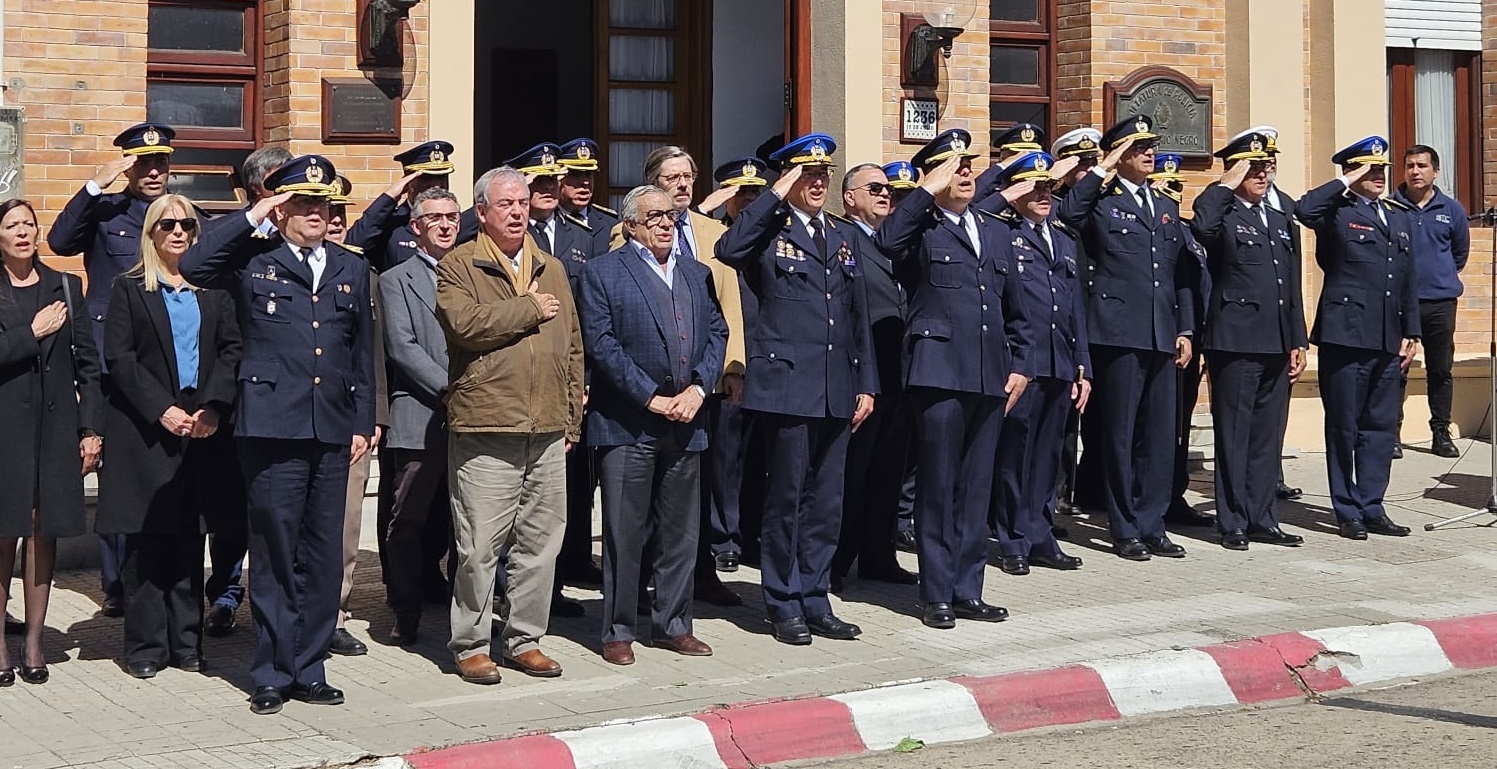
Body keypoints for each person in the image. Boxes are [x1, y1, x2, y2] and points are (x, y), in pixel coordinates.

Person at [181, 155, 375, 715]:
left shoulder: (350, 267)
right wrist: (254, 215)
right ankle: (269, 670)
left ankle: (310, 668)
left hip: (332, 427)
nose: (316, 212)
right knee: (273, 551)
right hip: (270, 425)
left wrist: (364, 420)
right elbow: (195, 264)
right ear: (281, 206)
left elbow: (360, 351)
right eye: (303, 202)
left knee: (321, 557)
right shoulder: (253, 259)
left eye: (323, 203)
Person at [716, 133, 877, 645]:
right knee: (785, 498)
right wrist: (774, 194)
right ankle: (782, 601)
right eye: (808, 174)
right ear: (788, 178)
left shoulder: (842, 235)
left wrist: (867, 383)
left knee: (826, 501)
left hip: (836, 386)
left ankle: (816, 596)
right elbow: (729, 248)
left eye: (824, 175)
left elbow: (860, 318)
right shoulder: (768, 230)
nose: (819, 183)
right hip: (786, 385)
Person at [875, 129, 1031, 628]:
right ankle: (936, 592)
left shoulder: (996, 229)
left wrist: (1022, 365)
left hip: (989, 374)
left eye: (969, 166)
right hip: (940, 374)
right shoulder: (920, 229)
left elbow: (1018, 309)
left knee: (974, 488)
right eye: (954, 166)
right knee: (939, 488)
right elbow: (886, 239)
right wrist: (926, 190)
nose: (965, 174)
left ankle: (968, 589)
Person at [436, 166, 584, 684]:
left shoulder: (552, 267)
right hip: (486, 425)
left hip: (545, 427)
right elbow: (466, 326)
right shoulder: (459, 265)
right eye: (507, 204)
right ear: (482, 212)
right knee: (479, 545)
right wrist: (526, 309)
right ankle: (472, 644)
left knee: (541, 543)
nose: (519, 211)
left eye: (523, 202)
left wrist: (571, 417)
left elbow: (571, 345)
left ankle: (525, 639)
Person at [96, 194, 243, 678]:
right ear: (151, 233)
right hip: (147, 430)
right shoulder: (130, 289)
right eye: (168, 225)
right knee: (147, 545)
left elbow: (229, 350)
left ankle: (186, 645)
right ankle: (144, 649)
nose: (179, 232)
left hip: (200, 430)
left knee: (188, 543)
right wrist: (161, 409)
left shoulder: (212, 289)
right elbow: (119, 358)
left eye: (187, 225)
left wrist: (214, 407)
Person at [581, 184, 728, 665]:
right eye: (654, 217)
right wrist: (652, 398)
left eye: (671, 216)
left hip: (687, 420)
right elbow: (601, 346)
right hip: (628, 424)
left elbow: (716, 332)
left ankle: (674, 624)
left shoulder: (695, 272)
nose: (666, 223)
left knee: (682, 532)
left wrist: (699, 390)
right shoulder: (603, 273)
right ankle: (619, 629)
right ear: (631, 226)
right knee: (625, 533)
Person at [47, 121, 177, 619]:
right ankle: (117, 582)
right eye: (142, 163)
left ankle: (157, 574)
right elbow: (59, 242)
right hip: (110, 364)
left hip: (162, 363)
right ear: (127, 167)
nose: (153, 171)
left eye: (160, 163)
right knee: (116, 475)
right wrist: (96, 185)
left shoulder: (178, 218)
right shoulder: (105, 212)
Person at [1059, 116, 1196, 561]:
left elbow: (1178, 274)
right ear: (1117, 153)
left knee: (1159, 436)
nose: (1149, 153)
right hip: (1117, 333)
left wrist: (1185, 328)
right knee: (1119, 435)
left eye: (1152, 145)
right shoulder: (1101, 199)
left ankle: (1152, 522)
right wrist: (1103, 168)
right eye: (1138, 147)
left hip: (1161, 333)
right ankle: (1123, 526)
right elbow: (1067, 214)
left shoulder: (1164, 204)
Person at [621, 146, 748, 607]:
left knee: (703, 479)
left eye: (688, 177)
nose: (682, 185)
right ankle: (638, 582)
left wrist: (733, 366)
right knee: (650, 484)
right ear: (653, 181)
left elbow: (727, 306)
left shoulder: (714, 233)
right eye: (672, 177)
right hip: (655, 385)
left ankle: (702, 573)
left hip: (706, 380)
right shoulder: (626, 234)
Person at [0, 198, 103, 685]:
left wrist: (91, 429)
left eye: (29, 224)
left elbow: (89, 366)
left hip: (56, 429)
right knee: (3, 533)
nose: (23, 232)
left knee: (44, 532)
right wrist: (30, 332)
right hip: (4, 431)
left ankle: (35, 642)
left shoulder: (65, 285)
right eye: (12, 225)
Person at [1296, 136, 1419, 540]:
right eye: (1370, 169)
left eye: (1382, 169)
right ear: (1353, 171)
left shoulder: (1397, 216)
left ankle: (1372, 504)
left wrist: (1411, 330)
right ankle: (1346, 509)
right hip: (1345, 335)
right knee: (1344, 426)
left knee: (1380, 426)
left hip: (1386, 336)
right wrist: (1345, 182)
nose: (1378, 176)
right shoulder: (1336, 210)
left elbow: (1406, 279)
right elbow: (1303, 209)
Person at [1190, 132, 1307, 551]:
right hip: (1236, 343)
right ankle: (1233, 521)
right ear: (1236, 170)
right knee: (1235, 435)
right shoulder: (1223, 214)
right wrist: (1225, 183)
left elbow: (1289, 284)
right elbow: (1202, 226)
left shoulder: (1277, 220)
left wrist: (1298, 339)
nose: (1261, 174)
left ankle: (1262, 518)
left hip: (1276, 341)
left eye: (1266, 167)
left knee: (1266, 437)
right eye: (1252, 167)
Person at [202, 145, 291, 639]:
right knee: (230, 509)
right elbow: (200, 259)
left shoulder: (309, 233)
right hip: (237, 392)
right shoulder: (237, 236)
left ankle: (289, 611)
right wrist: (253, 216)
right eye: (283, 181)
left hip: (294, 395)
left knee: (284, 510)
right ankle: (226, 593)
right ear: (260, 188)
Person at [508, 143, 600, 605]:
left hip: (567, 370)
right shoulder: (505, 233)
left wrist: (580, 380)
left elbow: (585, 315)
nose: (545, 190)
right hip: (517, 373)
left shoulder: (581, 234)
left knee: (566, 486)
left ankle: (560, 575)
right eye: (537, 182)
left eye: (550, 182)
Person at [989, 152, 1088, 575]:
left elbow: (1075, 307)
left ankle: (1040, 535)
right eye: (1036, 186)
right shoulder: (1002, 234)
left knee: (1049, 455)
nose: (1045, 193)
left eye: (1049, 186)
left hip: (1060, 362)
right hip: (1021, 362)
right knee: (1015, 454)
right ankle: (1012, 539)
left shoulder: (1063, 240)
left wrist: (1083, 364)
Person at [379, 186, 461, 646]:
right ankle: (405, 612)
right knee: (407, 519)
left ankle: (467, 612)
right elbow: (403, 347)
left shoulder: (474, 272)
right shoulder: (395, 280)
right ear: (416, 228)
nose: (446, 225)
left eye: (452, 216)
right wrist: (451, 389)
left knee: (468, 522)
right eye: (435, 218)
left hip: (476, 415)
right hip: (420, 415)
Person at [830, 162, 917, 592]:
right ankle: (835, 562)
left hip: (900, 375)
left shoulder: (897, 244)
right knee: (853, 474)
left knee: (888, 472)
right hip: (863, 375)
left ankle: (879, 556)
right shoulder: (842, 240)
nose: (887, 195)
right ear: (850, 198)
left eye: (891, 191)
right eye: (876, 188)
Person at [327, 178, 387, 659]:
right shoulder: (269, 268)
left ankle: (336, 615)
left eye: (339, 214)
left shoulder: (359, 270)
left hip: (350, 419)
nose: (333, 222)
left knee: (347, 526)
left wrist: (372, 418)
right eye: (324, 211)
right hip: (292, 422)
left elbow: (372, 352)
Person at [1146, 154, 1217, 529]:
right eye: (1164, 186)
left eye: (1176, 188)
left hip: (1189, 342)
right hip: (1159, 339)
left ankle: (1174, 494)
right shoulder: (1152, 229)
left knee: (1179, 426)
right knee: (1154, 427)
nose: (1172, 194)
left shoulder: (1188, 231)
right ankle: (1153, 499)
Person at [1395, 144, 1469, 459]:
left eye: (1422, 166)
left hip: (1439, 303)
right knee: (1396, 369)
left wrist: (1439, 278)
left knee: (1440, 370)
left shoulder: (1451, 209)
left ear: (1435, 171)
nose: (1415, 171)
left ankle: (1440, 432)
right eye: (1410, 165)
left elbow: (1459, 254)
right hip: (1399, 303)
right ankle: (1390, 435)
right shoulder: (1391, 206)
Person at [1045, 128, 1103, 518]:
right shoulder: (1058, 204)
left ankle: (1089, 489)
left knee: (1098, 420)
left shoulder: (1106, 201)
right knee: (1062, 421)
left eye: (1092, 163)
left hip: (1100, 323)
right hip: (1066, 323)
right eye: (1079, 164)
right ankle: (1058, 492)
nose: (1088, 171)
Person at [345, 140, 478, 270]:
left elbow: (491, 209)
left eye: (442, 177)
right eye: (427, 178)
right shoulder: (392, 224)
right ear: (408, 182)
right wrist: (389, 197)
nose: (437, 185)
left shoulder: (456, 223)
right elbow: (353, 246)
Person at [557, 138, 621, 257]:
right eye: (576, 174)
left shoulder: (610, 224)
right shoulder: (550, 223)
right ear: (559, 179)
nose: (585, 182)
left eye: (588, 174)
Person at [974, 123, 1047, 202]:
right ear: (1003, 158)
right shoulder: (992, 187)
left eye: (1030, 155)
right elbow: (972, 199)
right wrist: (1003, 166)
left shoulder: (1044, 190)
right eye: (1016, 155)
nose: (1024, 159)